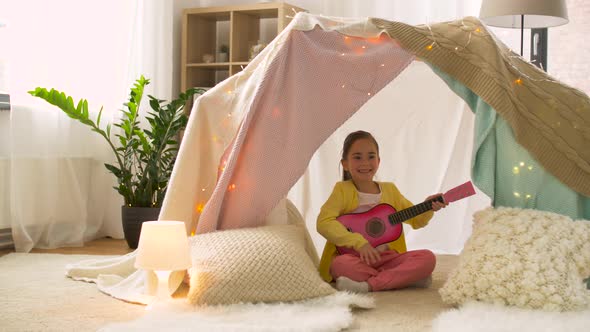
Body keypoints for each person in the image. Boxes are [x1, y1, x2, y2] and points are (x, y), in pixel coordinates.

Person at [316, 130, 447, 293]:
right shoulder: (342, 190)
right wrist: (359, 243)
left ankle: (369, 285)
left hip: (387, 258)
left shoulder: (390, 190)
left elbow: (417, 221)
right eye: (357, 157)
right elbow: (323, 222)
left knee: (427, 258)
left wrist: (428, 207)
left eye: (371, 156)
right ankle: (400, 279)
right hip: (355, 259)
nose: (365, 162)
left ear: (378, 161)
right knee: (339, 265)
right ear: (345, 164)